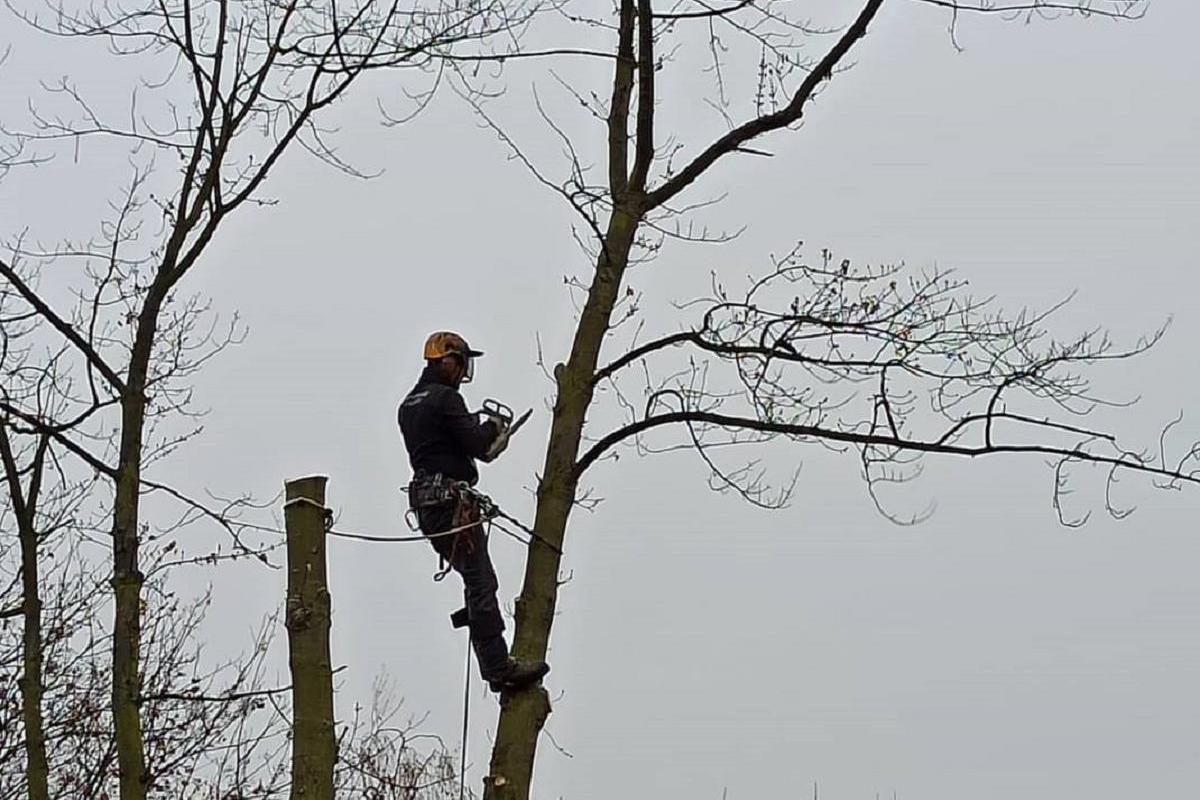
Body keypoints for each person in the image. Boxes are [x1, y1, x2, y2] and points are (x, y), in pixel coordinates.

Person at [398, 331, 550, 693]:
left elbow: (444, 444)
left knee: (472, 578)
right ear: (447, 360)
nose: (463, 371)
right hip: (451, 502)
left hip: (425, 504)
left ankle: (482, 631)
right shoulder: (446, 399)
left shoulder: (409, 404)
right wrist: (493, 428)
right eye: (461, 362)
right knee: (482, 581)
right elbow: (479, 446)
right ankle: (498, 667)